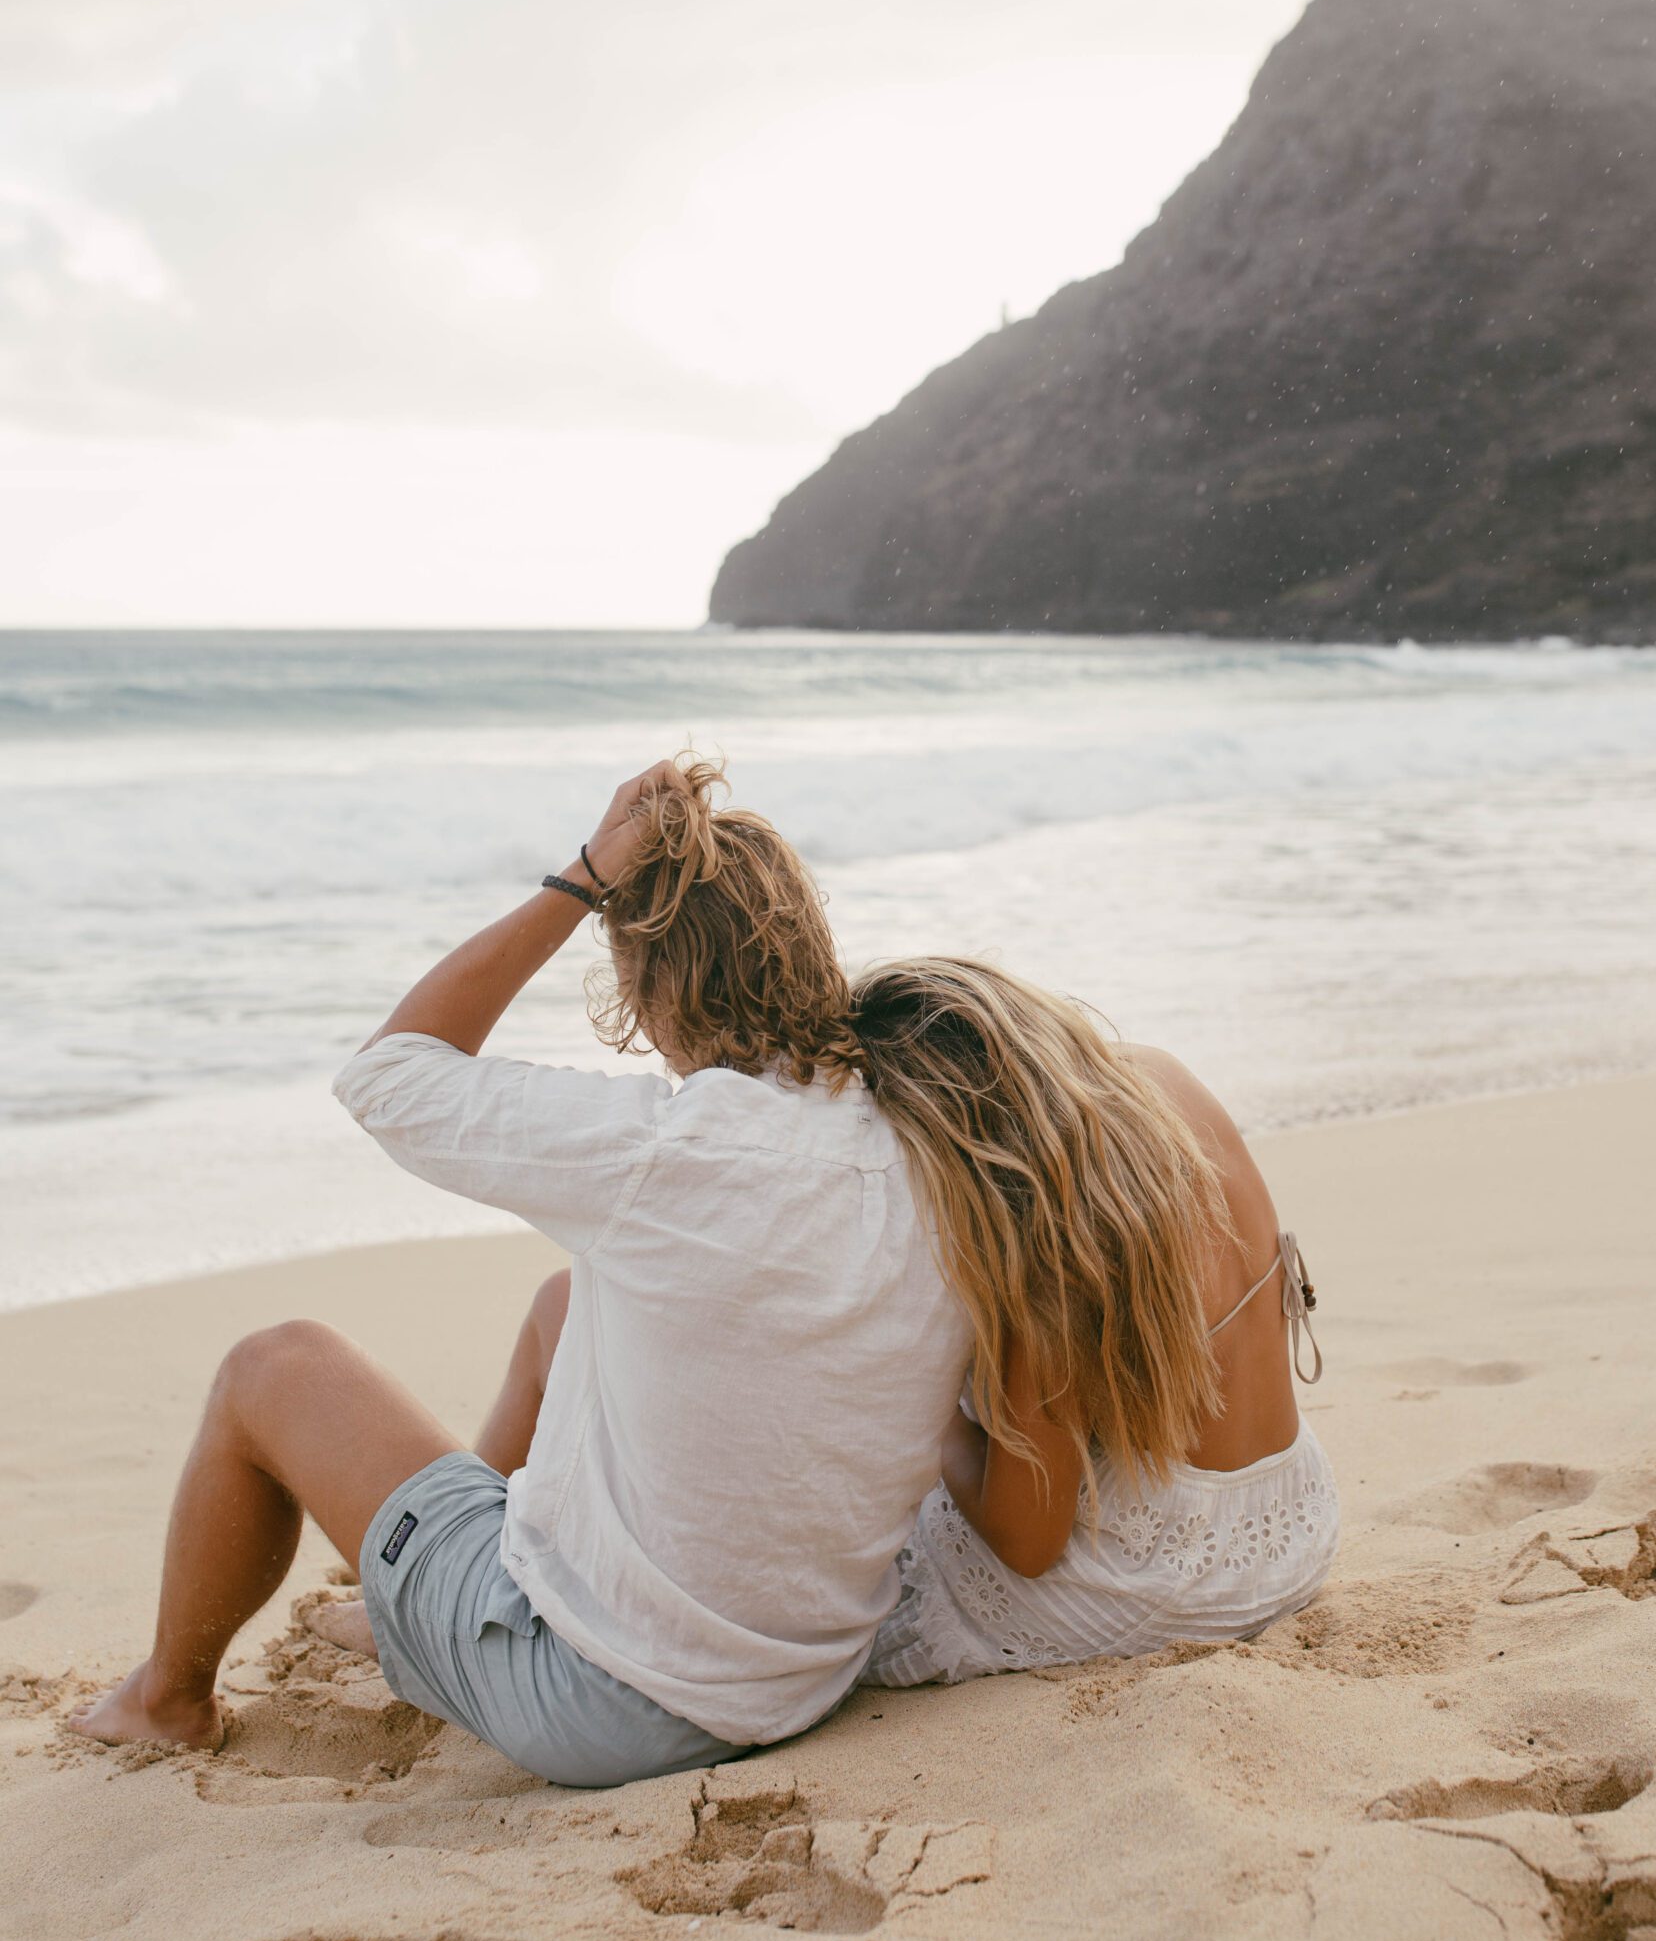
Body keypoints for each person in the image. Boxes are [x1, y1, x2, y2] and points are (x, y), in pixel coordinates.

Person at [70, 757, 975, 1783]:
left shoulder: (669, 1150)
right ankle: (416, 1600)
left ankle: (165, 1700)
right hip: (804, 1670)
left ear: (649, 981)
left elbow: (390, 1073)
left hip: (608, 1702)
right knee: (565, 1303)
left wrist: (586, 872)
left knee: (271, 1366)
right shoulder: (910, 1136)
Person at [849, 958, 1337, 1687]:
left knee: (859, 1591)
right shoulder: (1157, 1078)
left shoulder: (1052, 1233)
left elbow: (1026, 1545)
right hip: (1295, 1519)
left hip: (1178, 1586)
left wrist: (925, 1414)